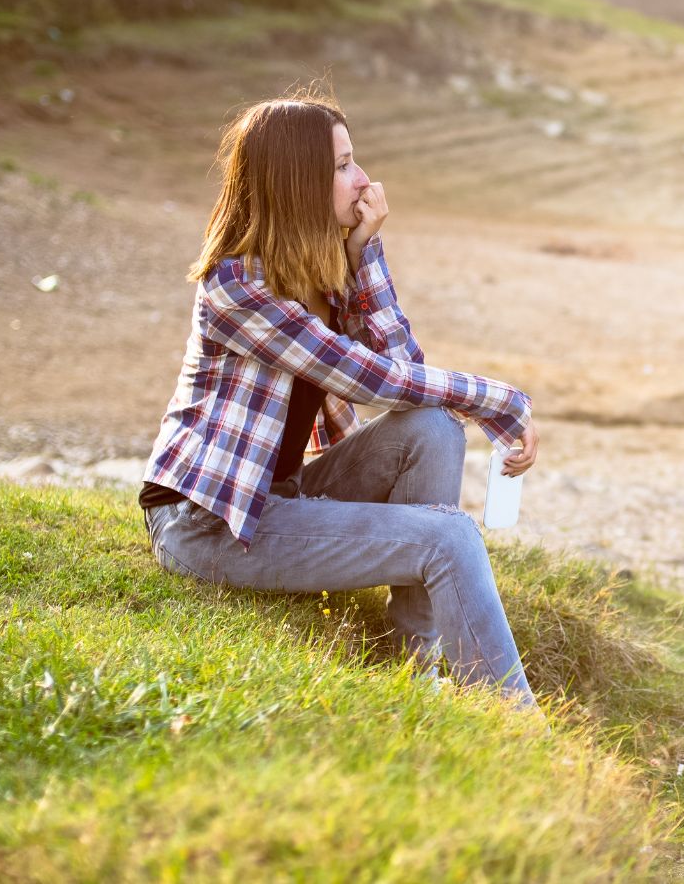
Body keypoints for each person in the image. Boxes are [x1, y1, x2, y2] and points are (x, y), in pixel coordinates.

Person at [138, 92, 543, 717]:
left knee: (432, 427)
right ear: (299, 182)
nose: (364, 181)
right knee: (450, 539)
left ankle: (411, 670)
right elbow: (370, 379)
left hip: (281, 498)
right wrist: (502, 403)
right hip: (211, 524)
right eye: (344, 165)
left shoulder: (316, 273)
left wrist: (361, 255)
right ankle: (521, 736)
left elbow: (406, 370)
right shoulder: (236, 286)